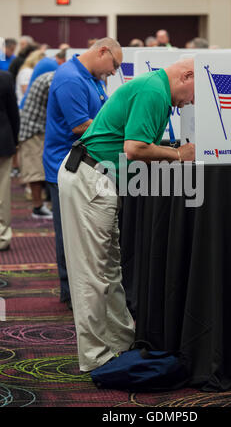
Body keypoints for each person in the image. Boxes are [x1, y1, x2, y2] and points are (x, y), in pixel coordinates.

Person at [57, 57, 195, 372]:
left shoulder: (154, 87)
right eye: (193, 94)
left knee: (106, 268)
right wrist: (178, 154)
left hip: (96, 178)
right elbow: (135, 149)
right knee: (93, 274)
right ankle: (96, 357)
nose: (190, 103)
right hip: (90, 178)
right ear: (187, 76)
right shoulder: (154, 91)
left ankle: (120, 343)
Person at [43, 37, 122, 310]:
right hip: (66, 166)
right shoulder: (71, 79)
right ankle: (70, 295)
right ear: (102, 51)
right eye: (115, 64)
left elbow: (102, 115)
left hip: (89, 164)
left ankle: (83, 291)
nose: (114, 72)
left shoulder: (89, 76)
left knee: (87, 233)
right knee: (68, 234)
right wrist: (119, 134)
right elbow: (82, 126)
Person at [18, 71, 56, 219]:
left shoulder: (52, 76)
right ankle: (38, 207)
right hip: (33, 130)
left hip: (35, 127)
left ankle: (40, 206)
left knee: (37, 170)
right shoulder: (52, 80)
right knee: (35, 171)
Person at [0, 71, 20, 251]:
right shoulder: (5, 77)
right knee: (2, 192)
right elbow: (14, 112)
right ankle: (2, 237)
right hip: (2, 141)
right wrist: (15, 141)